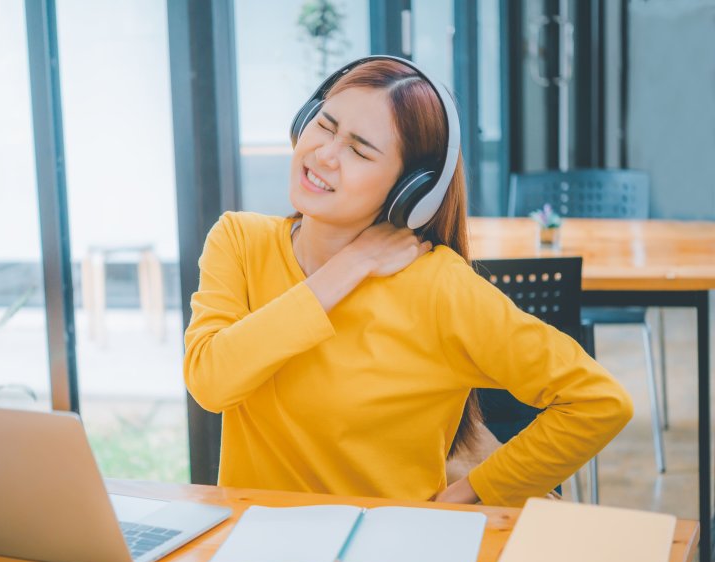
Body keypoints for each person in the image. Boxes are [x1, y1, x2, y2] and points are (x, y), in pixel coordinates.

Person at [182, 57, 632, 507]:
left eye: (359, 150)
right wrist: (349, 266)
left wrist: (475, 493)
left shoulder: (438, 287)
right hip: (253, 559)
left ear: (410, 190)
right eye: (324, 125)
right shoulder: (239, 241)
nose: (324, 154)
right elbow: (211, 382)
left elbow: (597, 401)